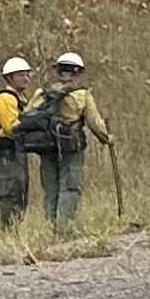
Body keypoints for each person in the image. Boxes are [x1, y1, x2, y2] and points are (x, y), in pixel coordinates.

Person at [30, 52, 112, 234]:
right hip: (71, 146)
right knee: (70, 186)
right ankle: (65, 229)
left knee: (51, 188)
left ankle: (50, 228)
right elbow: (95, 123)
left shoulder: (41, 93)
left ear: (58, 71)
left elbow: (27, 116)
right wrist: (107, 138)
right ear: (77, 72)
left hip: (46, 147)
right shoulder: (82, 95)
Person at [0, 57, 36, 229]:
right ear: (9, 78)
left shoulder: (20, 98)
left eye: (27, 74)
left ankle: (16, 232)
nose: (25, 78)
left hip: (16, 152)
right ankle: (9, 233)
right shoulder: (5, 98)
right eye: (20, 75)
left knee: (20, 193)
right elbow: (11, 128)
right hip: (6, 152)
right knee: (10, 194)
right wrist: (33, 124)